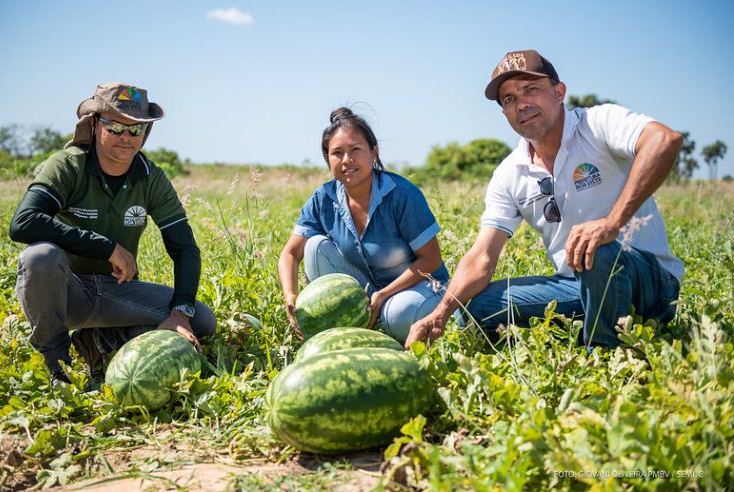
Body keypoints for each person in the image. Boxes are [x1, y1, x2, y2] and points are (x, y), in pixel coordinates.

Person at [406, 50, 684, 349]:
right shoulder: (510, 172)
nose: (521, 104)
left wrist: (611, 223)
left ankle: (603, 356)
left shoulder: (597, 123)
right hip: (576, 286)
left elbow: (663, 141)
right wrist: (440, 313)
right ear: (504, 113)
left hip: (650, 284)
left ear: (559, 91)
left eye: (531, 89)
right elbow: (483, 257)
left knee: (597, 248)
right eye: (509, 99)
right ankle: (587, 329)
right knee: (476, 308)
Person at [9, 82, 216, 386]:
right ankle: (56, 364)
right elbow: (24, 222)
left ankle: (99, 342)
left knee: (202, 319)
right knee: (39, 257)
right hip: (67, 292)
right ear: (94, 124)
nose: (126, 138)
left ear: (146, 134)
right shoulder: (68, 165)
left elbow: (184, 248)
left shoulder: (150, 177)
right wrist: (106, 247)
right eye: (115, 127)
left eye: (136, 130)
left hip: (116, 289)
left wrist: (180, 313)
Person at [278, 107, 450, 344]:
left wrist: (384, 295)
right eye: (337, 153)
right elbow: (289, 253)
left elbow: (431, 261)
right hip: (371, 289)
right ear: (328, 159)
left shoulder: (401, 194)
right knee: (314, 247)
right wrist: (290, 296)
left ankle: (391, 326)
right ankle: (345, 328)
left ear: (374, 153)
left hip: (420, 287)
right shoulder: (323, 198)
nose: (347, 160)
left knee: (396, 315)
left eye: (355, 150)